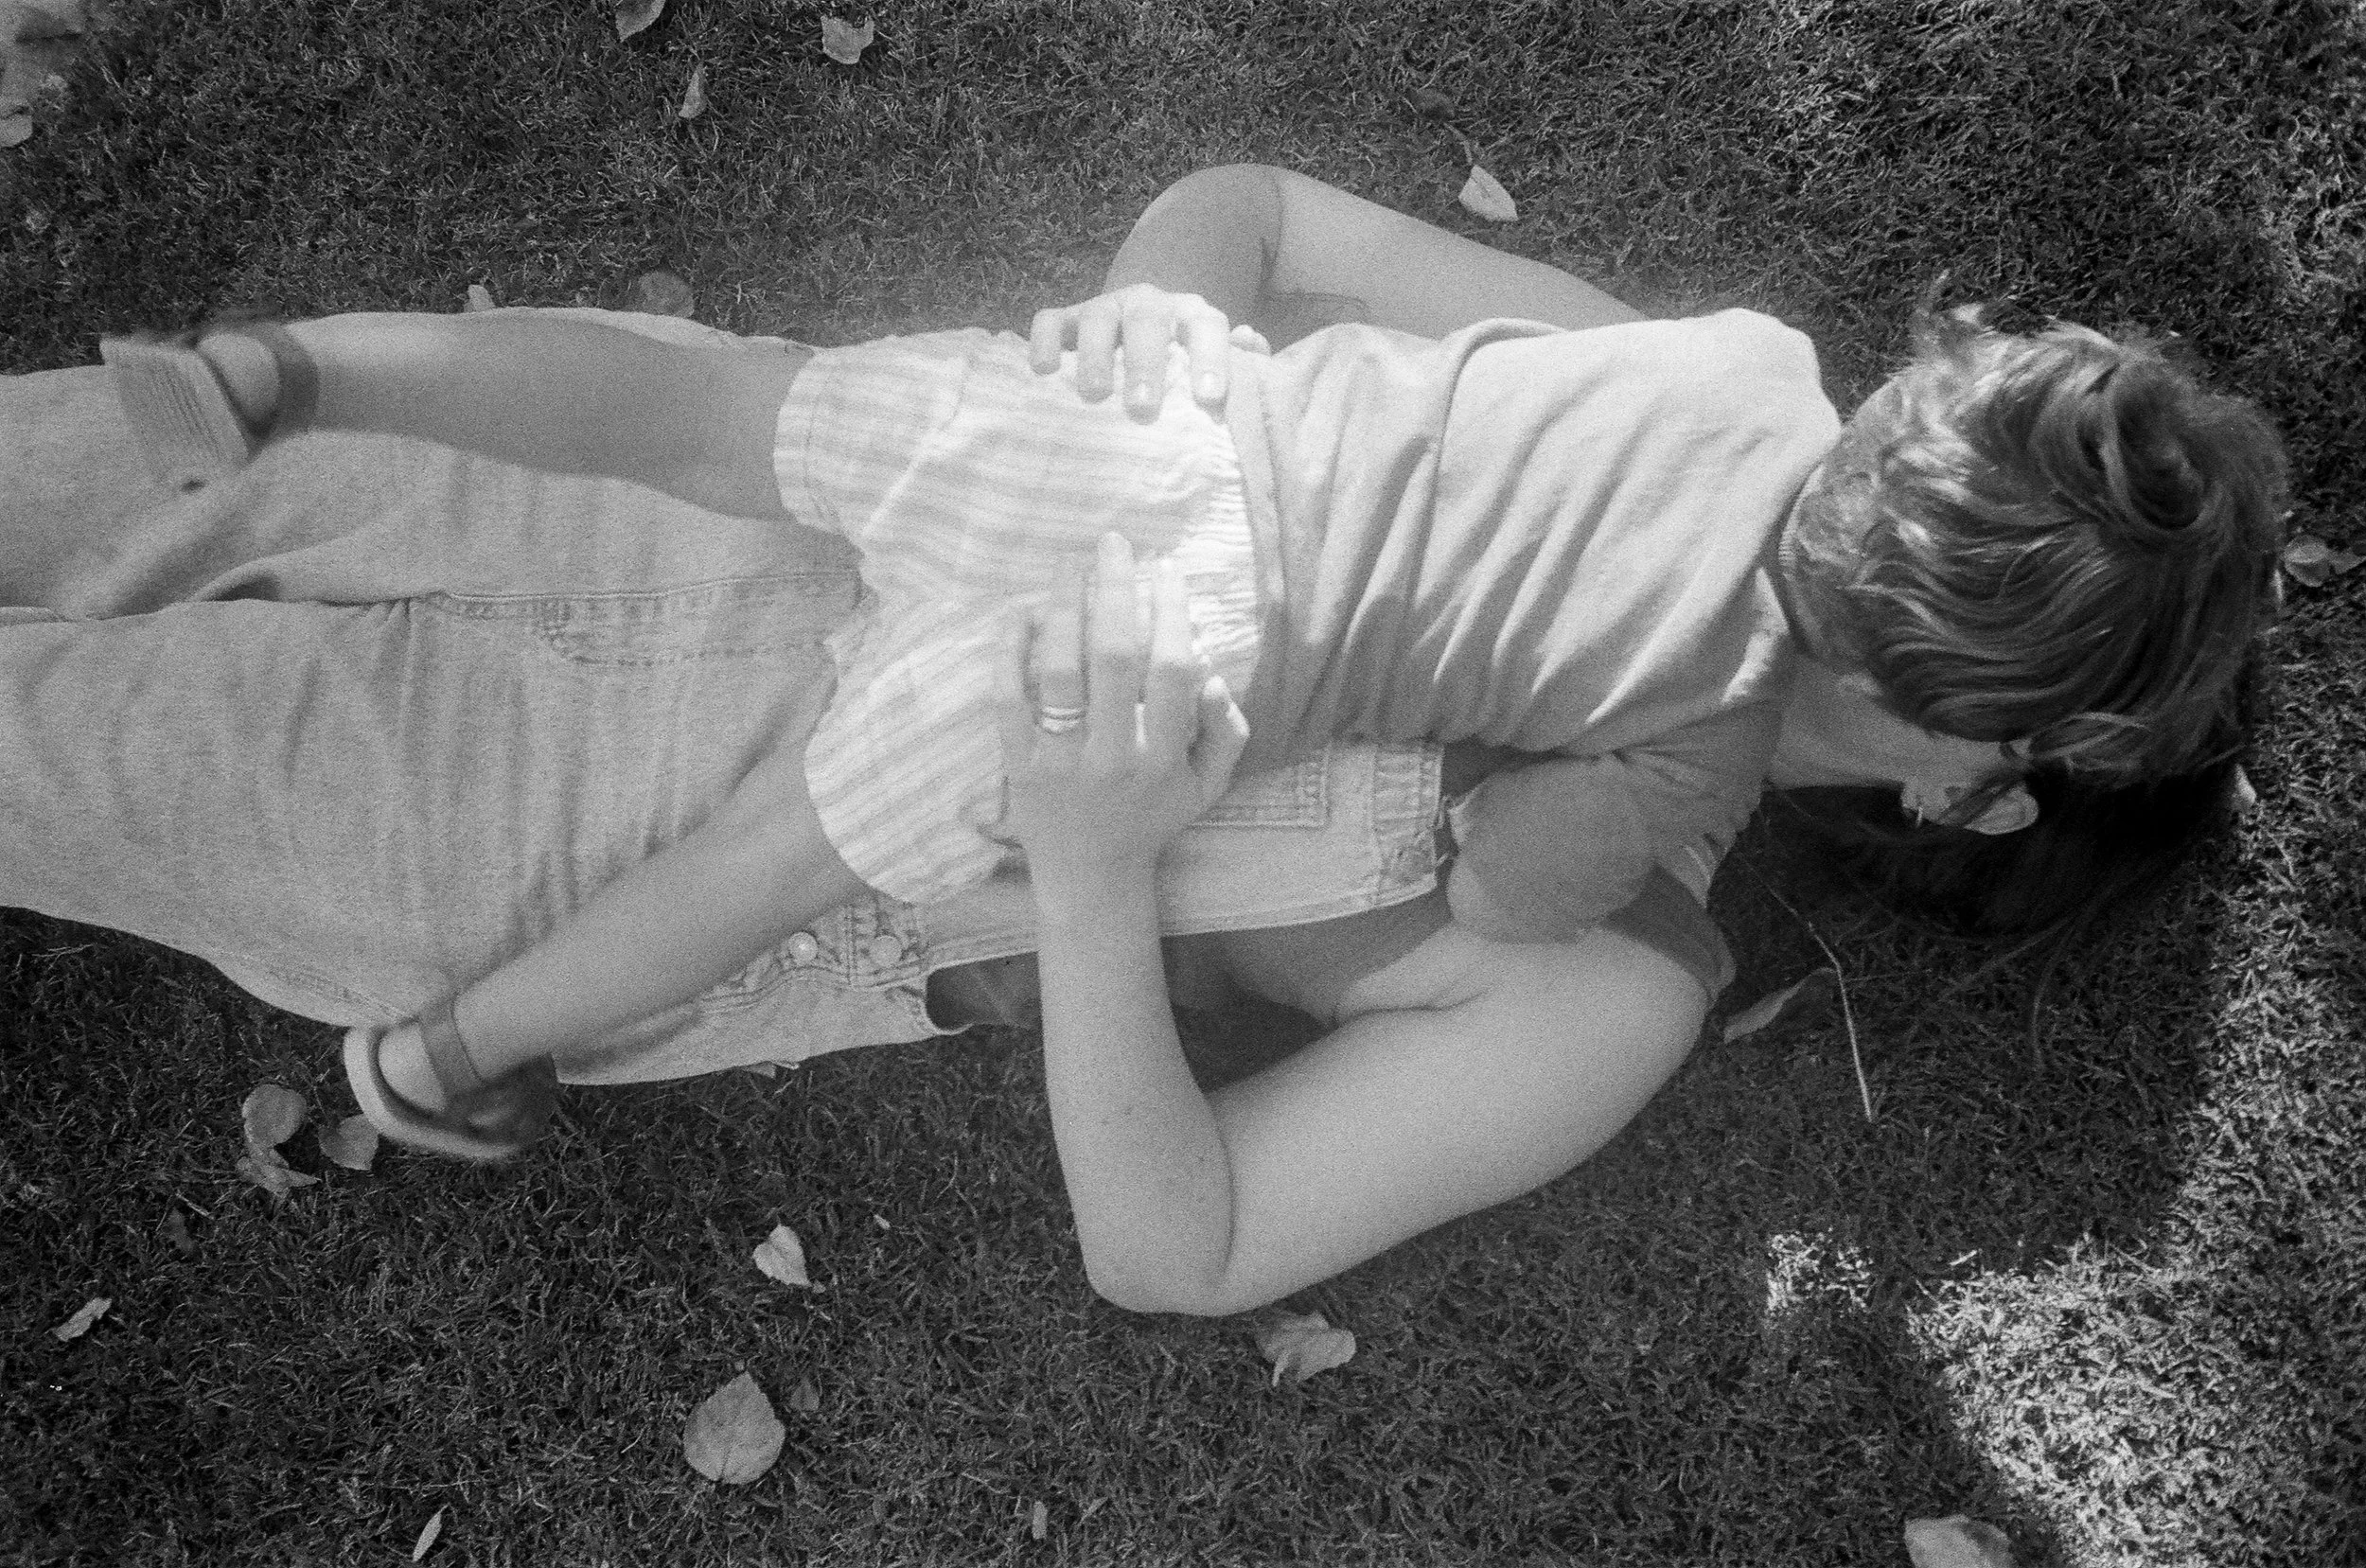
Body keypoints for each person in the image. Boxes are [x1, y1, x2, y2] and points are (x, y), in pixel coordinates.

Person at [10, 167, 2279, 1313]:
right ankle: (436, 1030)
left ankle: (454, 1033)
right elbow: (1262, 215)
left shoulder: (1618, 967)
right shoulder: (1694, 412)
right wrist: (1154, 311)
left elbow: (1174, 1250)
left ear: (1988, 782)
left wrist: (1098, 878)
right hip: (718, 475)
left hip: (599, 827)